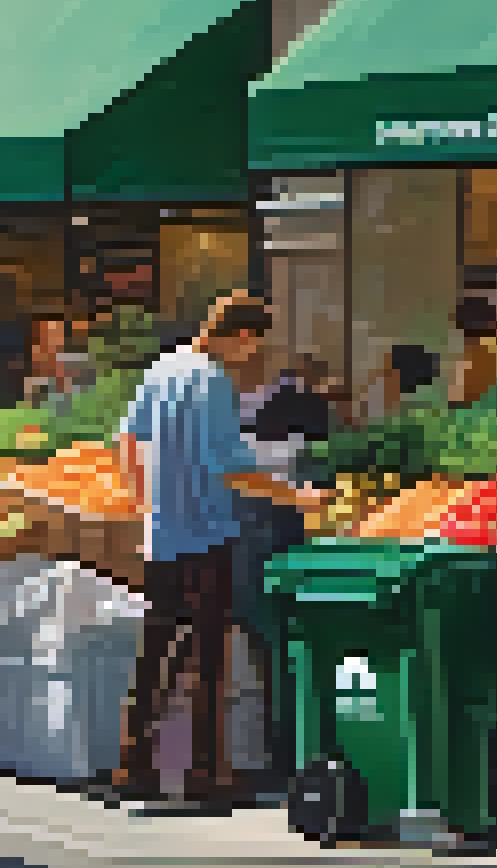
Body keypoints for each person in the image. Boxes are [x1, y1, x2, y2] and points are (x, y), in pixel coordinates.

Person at [102, 294, 328, 810]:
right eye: (255, 345)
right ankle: (203, 772)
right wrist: (297, 496)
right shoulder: (213, 382)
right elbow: (230, 468)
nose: (252, 356)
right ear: (242, 336)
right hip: (207, 533)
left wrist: (145, 506)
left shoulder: (163, 368)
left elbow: (126, 442)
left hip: (162, 535)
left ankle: (132, 765)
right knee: (207, 657)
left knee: (154, 651)